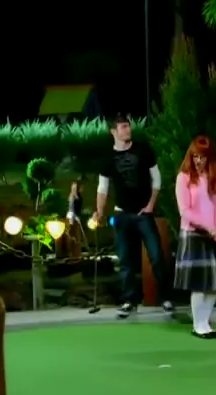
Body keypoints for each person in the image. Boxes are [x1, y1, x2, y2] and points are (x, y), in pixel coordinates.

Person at [93, 114, 174, 318]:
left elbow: (156, 179)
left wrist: (150, 205)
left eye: (128, 126)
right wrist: (99, 211)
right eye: (123, 127)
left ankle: (165, 298)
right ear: (114, 132)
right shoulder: (107, 158)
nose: (128, 130)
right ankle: (129, 300)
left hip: (143, 213)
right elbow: (102, 188)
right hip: (122, 214)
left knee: (157, 256)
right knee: (126, 260)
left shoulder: (143, 150)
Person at [173, 135, 216, 339]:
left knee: (212, 285)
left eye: (202, 157)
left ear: (209, 158)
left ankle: (205, 322)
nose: (198, 160)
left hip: (212, 235)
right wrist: (209, 227)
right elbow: (185, 211)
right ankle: (198, 325)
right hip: (193, 234)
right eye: (195, 156)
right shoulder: (184, 178)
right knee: (198, 285)